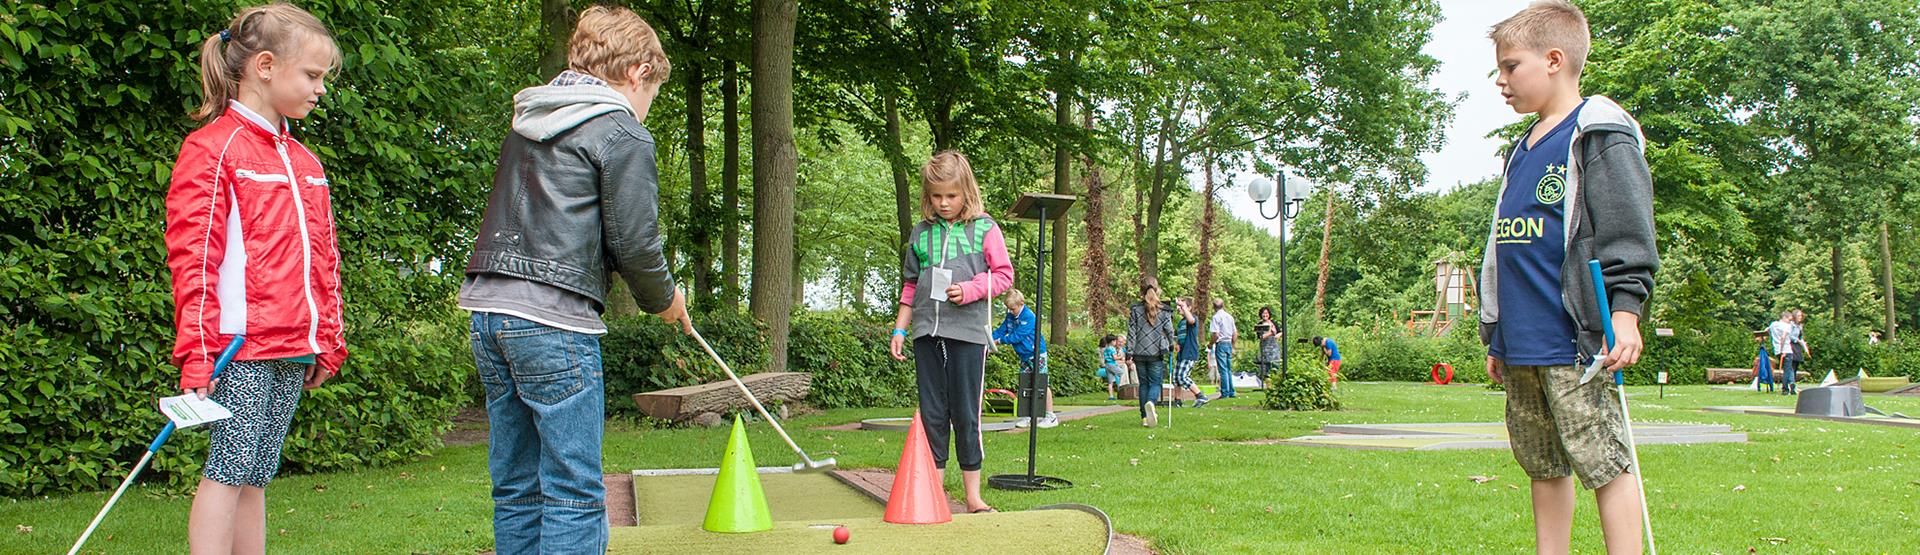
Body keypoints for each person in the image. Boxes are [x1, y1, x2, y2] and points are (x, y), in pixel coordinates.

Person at [458, 6, 693, 553]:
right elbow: (636, 244)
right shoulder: (620, 132)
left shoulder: (529, 119)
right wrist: (665, 299)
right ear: (637, 73)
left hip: (489, 312)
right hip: (552, 320)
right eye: (650, 94)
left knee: (516, 487)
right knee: (572, 491)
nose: (646, 108)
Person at [1478, 2, 1661, 553]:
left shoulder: (1599, 135)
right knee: (1542, 461)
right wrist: (1497, 329)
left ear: (1554, 59)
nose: (1501, 82)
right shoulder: (1523, 147)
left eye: (1510, 67)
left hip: (1576, 337)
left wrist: (1625, 311)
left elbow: (1627, 231)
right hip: (1523, 340)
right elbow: (1505, 243)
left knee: (1602, 459)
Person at [166, 4, 347, 552]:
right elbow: (194, 259)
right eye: (312, 76)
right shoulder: (213, 149)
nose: (320, 89)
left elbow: (324, 259)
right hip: (239, 349)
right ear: (265, 66)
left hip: (292, 345)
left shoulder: (306, 162)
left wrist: (327, 340)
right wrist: (198, 353)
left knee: (255, 473)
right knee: (227, 468)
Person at [888, 150, 1015, 514]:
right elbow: (910, 285)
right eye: (936, 196)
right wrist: (900, 328)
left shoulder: (986, 228)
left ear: (966, 192)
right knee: (932, 412)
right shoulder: (920, 233)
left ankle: (973, 496)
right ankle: (934, 493)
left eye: (951, 196)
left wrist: (973, 289)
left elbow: (1004, 276)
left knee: (965, 413)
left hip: (968, 334)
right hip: (927, 332)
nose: (943, 203)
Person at [992, 289, 1056, 428]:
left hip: (1037, 354)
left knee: (1041, 382)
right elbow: (1002, 329)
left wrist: (1000, 341)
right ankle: (1028, 416)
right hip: (1024, 355)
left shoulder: (1029, 317)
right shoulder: (1010, 316)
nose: (1011, 311)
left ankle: (1051, 416)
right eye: (1009, 309)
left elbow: (1017, 336)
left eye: (1013, 308)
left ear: (1021, 304)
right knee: (1026, 384)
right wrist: (990, 337)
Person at [1126, 277, 1178, 427]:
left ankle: (1144, 417)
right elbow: (1169, 330)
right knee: (1155, 383)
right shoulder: (1165, 310)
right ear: (1157, 289)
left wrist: (1129, 351)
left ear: (1141, 290)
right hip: (1156, 352)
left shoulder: (1135, 309)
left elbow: (1132, 332)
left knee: (1143, 384)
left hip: (1139, 352)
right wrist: (1171, 344)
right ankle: (1151, 402)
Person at [1172, 298, 1212, 407]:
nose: (1178, 308)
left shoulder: (1192, 318)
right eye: (1179, 306)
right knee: (1176, 378)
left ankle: (1200, 396)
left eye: (1182, 306)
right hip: (1182, 353)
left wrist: (1183, 307)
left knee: (1182, 376)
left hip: (1189, 352)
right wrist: (1178, 344)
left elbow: (1191, 321)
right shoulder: (1181, 322)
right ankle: (1177, 401)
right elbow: (1181, 337)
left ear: (1189, 308)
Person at [1209, 298, 1239, 398]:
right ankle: (1231, 391)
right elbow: (1235, 333)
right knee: (1228, 368)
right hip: (1229, 343)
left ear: (1213, 307)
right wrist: (1233, 345)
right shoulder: (1229, 317)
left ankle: (1225, 392)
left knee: (1222, 369)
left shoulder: (1216, 317)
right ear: (1223, 305)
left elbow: (1216, 334)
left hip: (1221, 343)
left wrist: (1210, 344)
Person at [1768, 310, 1797, 396]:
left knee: (1789, 368)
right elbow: (1783, 337)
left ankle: (1792, 383)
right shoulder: (1787, 326)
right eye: (1789, 319)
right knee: (1787, 370)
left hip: (1777, 350)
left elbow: (1767, 330)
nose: (1790, 321)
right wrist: (1782, 349)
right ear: (1784, 317)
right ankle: (1785, 389)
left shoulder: (1773, 324)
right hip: (1786, 350)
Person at [1254, 307, 1280, 382]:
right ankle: (1265, 380)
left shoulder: (1274, 323)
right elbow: (1261, 337)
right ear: (1261, 314)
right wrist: (1271, 333)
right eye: (1263, 313)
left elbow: (1280, 331)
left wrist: (1278, 335)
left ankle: (1275, 378)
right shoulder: (1260, 324)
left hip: (1274, 347)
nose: (1265, 315)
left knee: (1275, 363)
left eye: (1266, 313)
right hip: (1265, 347)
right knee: (1265, 364)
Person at [1099, 334, 1126, 400]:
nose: (1116, 343)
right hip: (1112, 364)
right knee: (1122, 373)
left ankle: (1111, 396)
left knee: (1110, 382)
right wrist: (1121, 357)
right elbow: (1114, 358)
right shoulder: (1112, 349)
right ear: (1112, 341)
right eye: (1115, 341)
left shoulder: (1106, 348)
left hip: (1107, 365)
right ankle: (1121, 390)